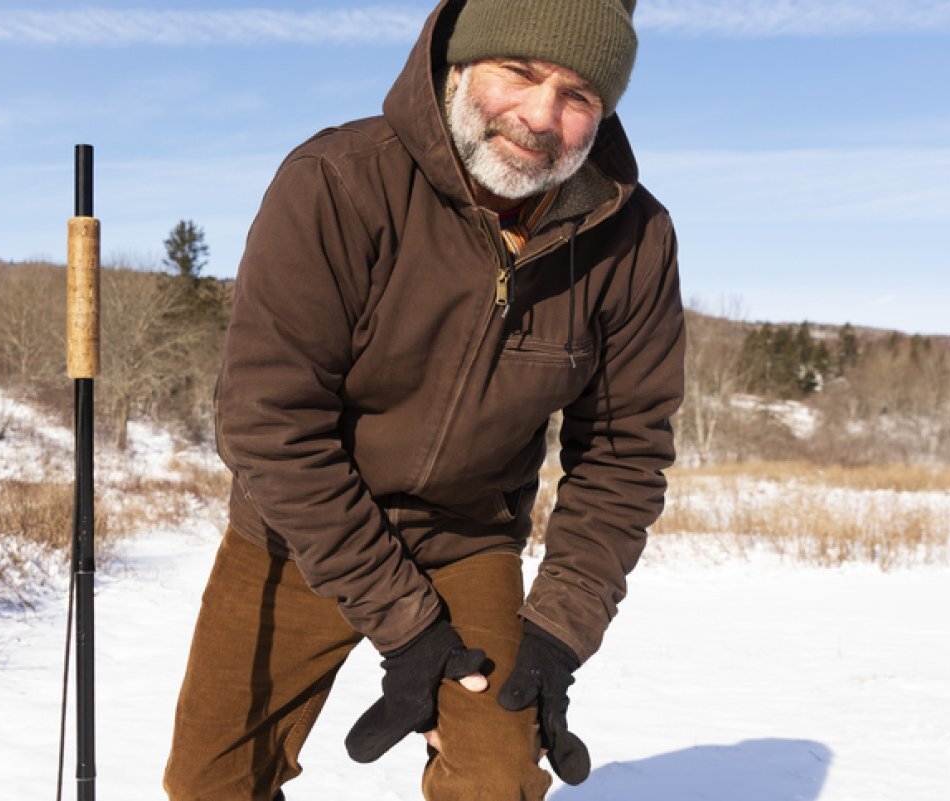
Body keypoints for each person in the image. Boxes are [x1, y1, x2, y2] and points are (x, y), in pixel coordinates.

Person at [163, 0, 684, 798]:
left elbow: (624, 455)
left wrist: (556, 634)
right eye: (520, 71)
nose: (542, 117)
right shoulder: (338, 181)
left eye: (579, 96)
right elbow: (269, 424)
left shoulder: (634, 241)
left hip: (465, 540)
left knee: (495, 776)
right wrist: (407, 627)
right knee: (212, 784)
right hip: (300, 533)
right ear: (462, 63)